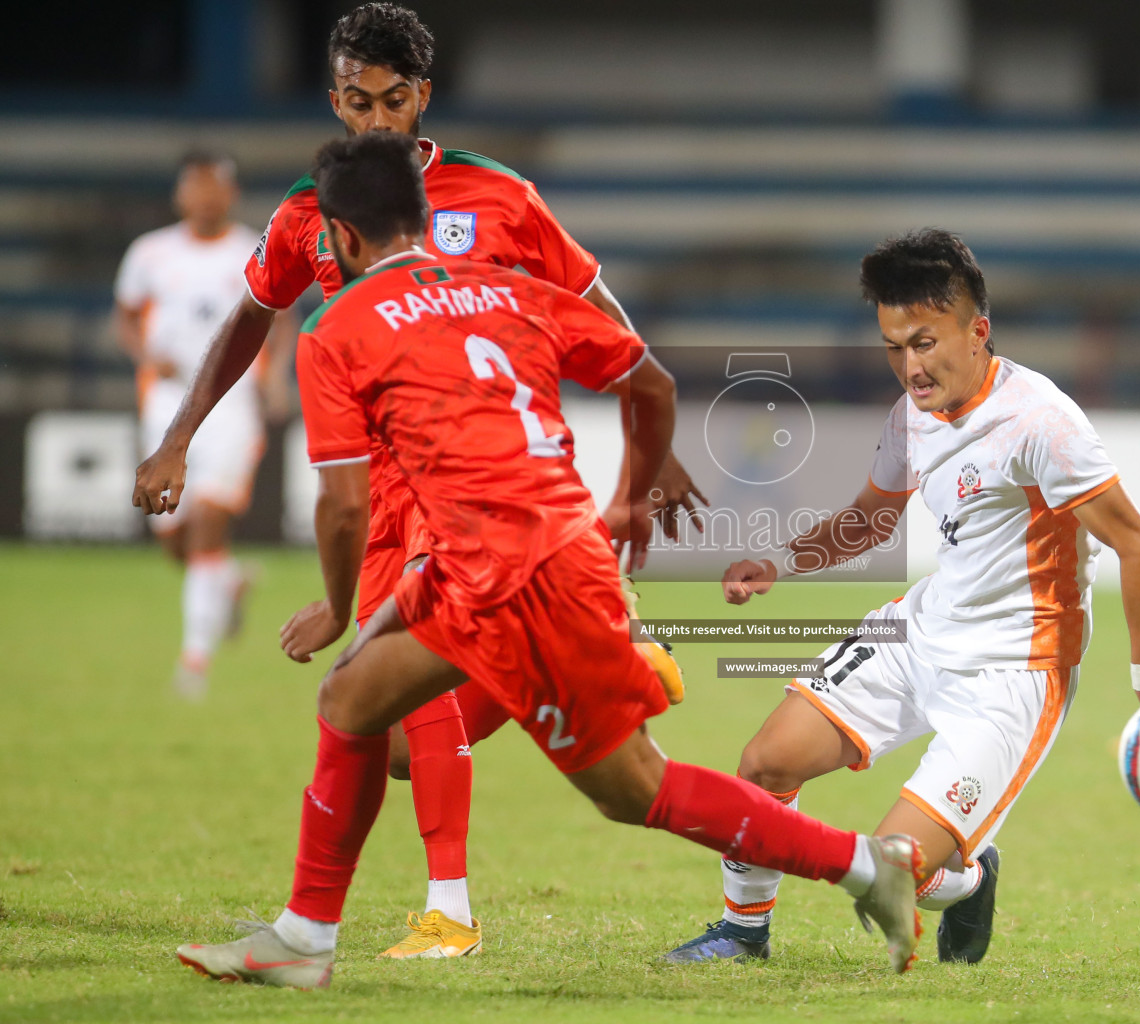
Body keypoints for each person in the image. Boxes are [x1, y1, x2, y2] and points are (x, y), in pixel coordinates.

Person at [172, 134, 922, 988]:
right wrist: (632, 496)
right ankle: (305, 938)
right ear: (428, 217)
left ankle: (867, 865)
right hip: (509, 558)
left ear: (340, 239)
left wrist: (339, 607)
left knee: (634, 790)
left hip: (521, 577)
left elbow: (343, 504)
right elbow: (650, 381)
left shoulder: (334, 327)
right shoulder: (507, 291)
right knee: (350, 699)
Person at [130, 3, 701, 958]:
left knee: (411, 690)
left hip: (471, 478)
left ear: (424, 98)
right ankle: (602, 661)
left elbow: (592, 306)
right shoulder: (311, 210)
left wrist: (661, 444)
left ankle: (447, 912)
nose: (377, 121)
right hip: (376, 477)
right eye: (358, 102)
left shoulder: (498, 198)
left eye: (395, 101)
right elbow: (248, 320)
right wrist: (180, 434)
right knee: (392, 741)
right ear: (335, 99)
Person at [663, 229, 1140, 965]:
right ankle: (744, 934)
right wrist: (780, 561)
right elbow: (872, 519)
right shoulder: (913, 414)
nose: (910, 365)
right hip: (919, 632)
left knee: (898, 871)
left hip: (1012, 672)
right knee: (765, 764)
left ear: (978, 330)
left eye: (925, 342)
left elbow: (1138, 545)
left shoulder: (1041, 422)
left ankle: (968, 880)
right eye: (895, 346)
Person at [113, 150, 295, 700]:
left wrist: (275, 377)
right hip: (166, 405)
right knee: (174, 540)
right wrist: (146, 354)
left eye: (215, 187)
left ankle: (194, 663)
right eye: (196, 187)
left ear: (231, 195)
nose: (206, 197)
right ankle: (230, 582)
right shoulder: (150, 253)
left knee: (209, 525)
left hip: (232, 404)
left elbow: (279, 315)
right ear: (180, 194)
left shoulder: (250, 251)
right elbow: (125, 315)